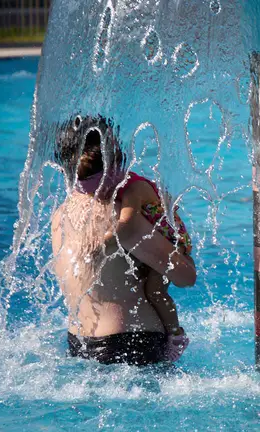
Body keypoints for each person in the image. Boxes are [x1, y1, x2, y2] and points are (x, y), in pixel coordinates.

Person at [52, 115, 197, 365]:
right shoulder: (118, 212)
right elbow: (186, 277)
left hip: (77, 341)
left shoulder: (60, 214)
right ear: (113, 158)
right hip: (129, 342)